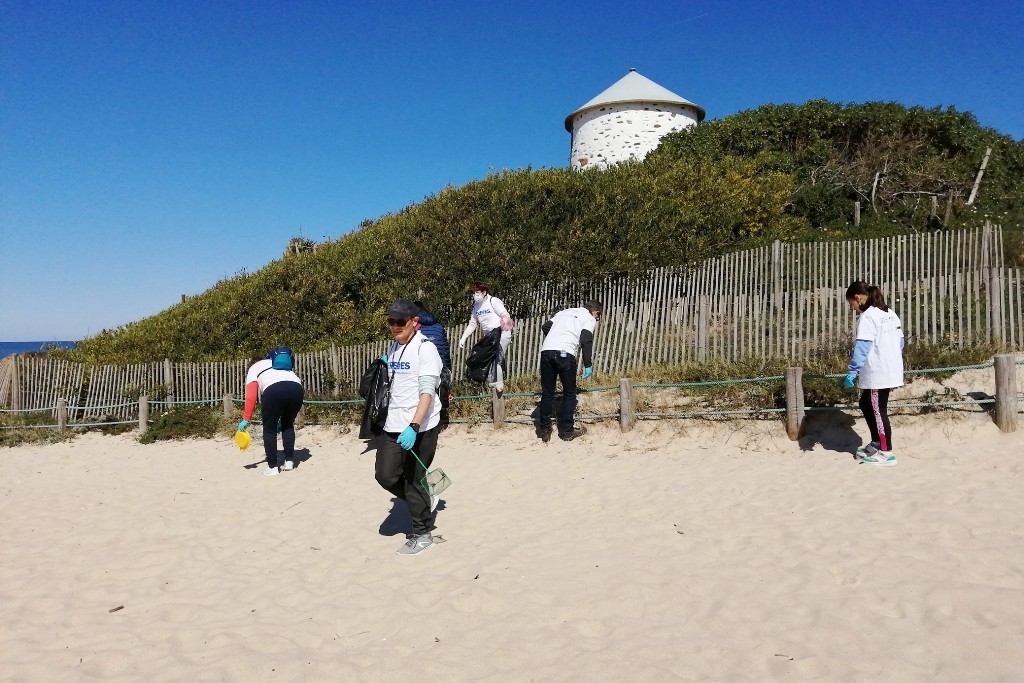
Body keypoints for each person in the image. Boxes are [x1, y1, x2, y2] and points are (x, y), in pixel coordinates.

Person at [375, 299, 445, 555]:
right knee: (385, 475)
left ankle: (422, 533)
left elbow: (427, 391)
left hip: (421, 425)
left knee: (414, 478)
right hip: (393, 423)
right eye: (390, 321)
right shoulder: (395, 346)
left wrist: (414, 425)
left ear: (414, 322)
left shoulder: (425, 349)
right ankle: (426, 498)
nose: (394, 327)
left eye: (400, 322)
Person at [843, 281, 904, 467]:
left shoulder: (868, 317)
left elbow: (862, 347)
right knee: (865, 403)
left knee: (878, 411)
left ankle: (886, 453)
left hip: (878, 373)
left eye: (851, 305)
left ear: (858, 298)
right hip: (889, 369)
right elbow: (901, 342)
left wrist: (852, 372)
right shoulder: (890, 313)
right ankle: (877, 443)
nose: (852, 309)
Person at [536, 300, 603, 442]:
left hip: (546, 351)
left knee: (547, 392)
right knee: (569, 393)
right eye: (599, 315)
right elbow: (586, 340)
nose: (597, 318)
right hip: (565, 353)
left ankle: (544, 430)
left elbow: (545, 326)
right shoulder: (589, 318)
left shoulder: (564, 312)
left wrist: (555, 338)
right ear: (596, 311)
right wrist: (588, 364)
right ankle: (567, 431)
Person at [238, 347, 305, 476]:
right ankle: (289, 460)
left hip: (274, 390)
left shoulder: (254, 368)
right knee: (288, 425)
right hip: (297, 389)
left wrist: (246, 419)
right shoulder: (274, 362)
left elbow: (251, 396)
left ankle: (272, 467)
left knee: (269, 430)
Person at [457, 281, 514, 393]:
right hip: (489, 337)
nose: (475, 295)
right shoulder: (476, 307)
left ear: (484, 292)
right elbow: (473, 323)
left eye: (477, 292)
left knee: (498, 357)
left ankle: (499, 384)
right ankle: (490, 386)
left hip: (501, 332)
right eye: (473, 293)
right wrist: (464, 337)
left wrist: (504, 327)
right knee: (488, 358)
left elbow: (505, 314)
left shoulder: (493, 301)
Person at [415, 301, 452, 428]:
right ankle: (438, 422)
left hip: (422, 365)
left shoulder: (414, 326)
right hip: (440, 364)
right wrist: (447, 367)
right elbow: (445, 349)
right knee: (436, 394)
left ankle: (424, 424)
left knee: (423, 394)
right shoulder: (438, 326)